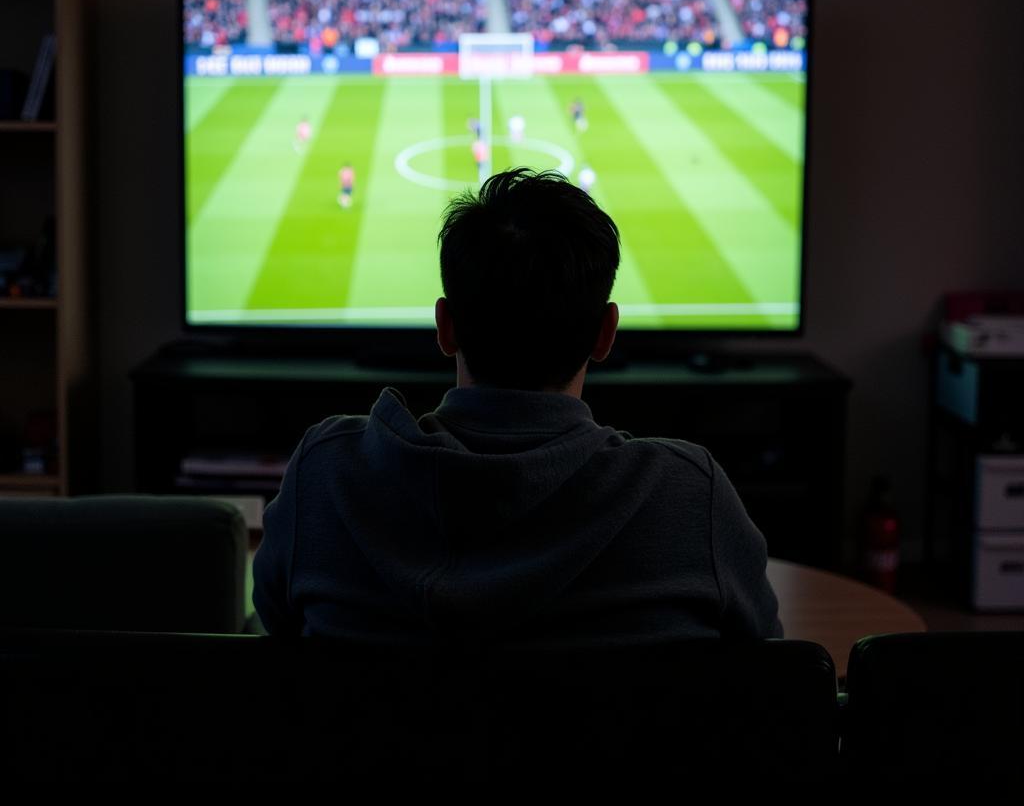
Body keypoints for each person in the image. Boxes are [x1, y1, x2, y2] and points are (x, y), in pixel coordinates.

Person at [254, 168, 782, 646]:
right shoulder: (689, 496)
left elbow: (277, 633)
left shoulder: (325, 475)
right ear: (606, 334)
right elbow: (766, 672)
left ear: (445, 326)